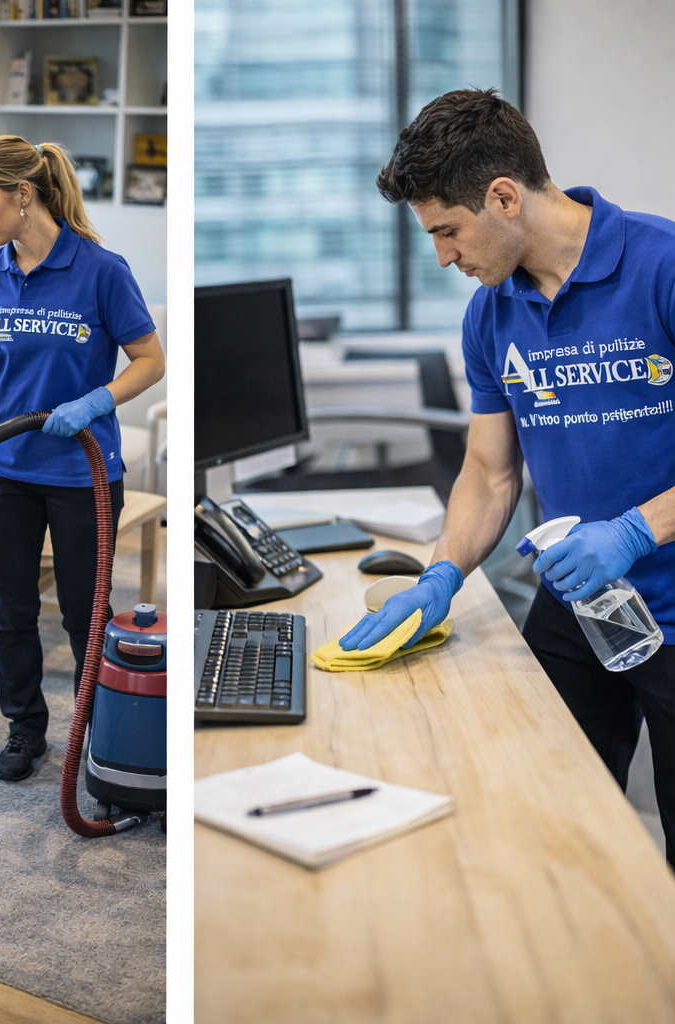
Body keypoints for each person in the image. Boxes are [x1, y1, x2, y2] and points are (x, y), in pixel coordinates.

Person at [341, 88, 674, 866]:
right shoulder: (491, 315)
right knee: (550, 828)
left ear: (502, 197)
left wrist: (635, 531)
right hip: (577, 603)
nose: (442, 257)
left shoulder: (661, 266)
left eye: (446, 231)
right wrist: (441, 574)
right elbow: (489, 475)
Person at [0, 136, 164, 782]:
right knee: (9, 611)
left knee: (84, 615)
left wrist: (94, 401)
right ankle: (25, 729)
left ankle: (93, 731)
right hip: (4, 469)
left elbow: (150, 361)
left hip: (82, 474)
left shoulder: (101, 270)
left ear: (23, 195)